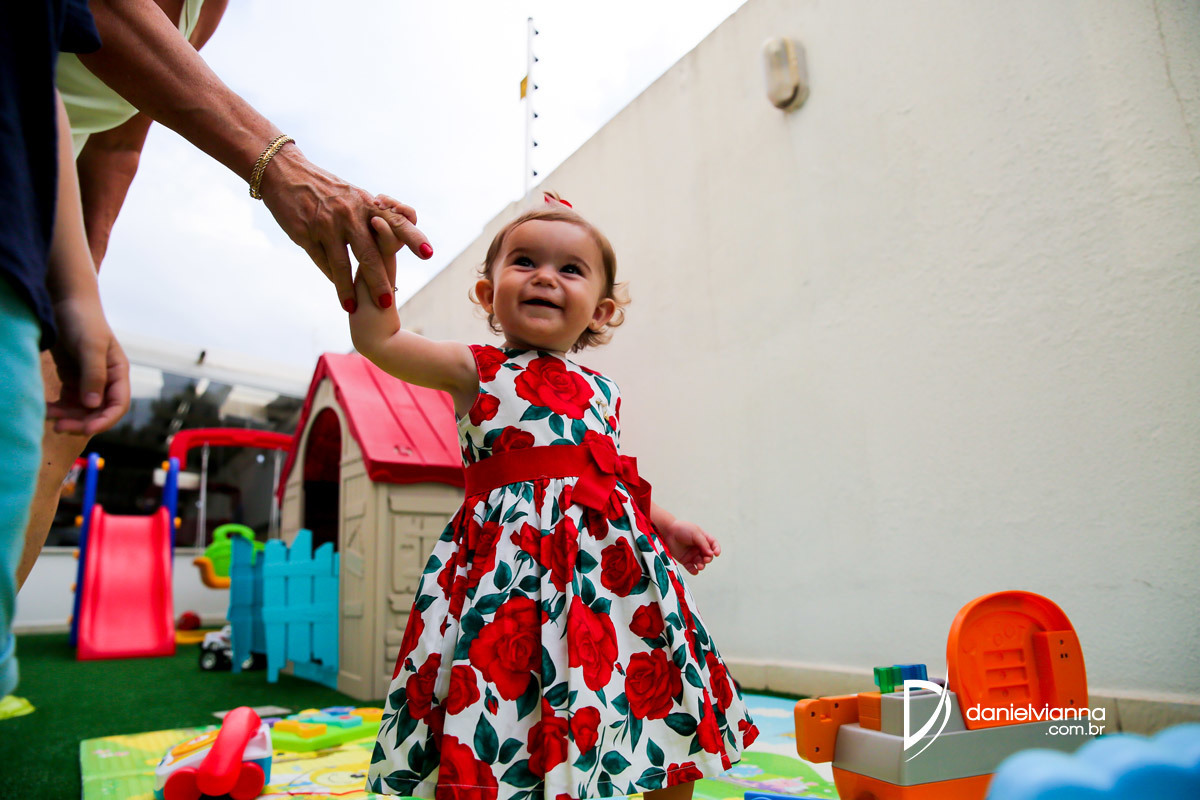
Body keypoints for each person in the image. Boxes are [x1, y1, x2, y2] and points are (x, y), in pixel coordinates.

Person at [351, 194, 759, 800]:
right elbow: (379, 340)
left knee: (648, 685)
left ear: (602, 310)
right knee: (510, 689)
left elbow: (611, 473)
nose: (545, 276)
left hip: (610, 576)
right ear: (488, 293)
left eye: (570, 268)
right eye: (524, 262)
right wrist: (376, 264)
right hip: (510, 570)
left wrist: (668, 525)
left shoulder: (604, 390)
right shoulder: (475, 369)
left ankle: (662, 773)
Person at [15, 0, 433, 591]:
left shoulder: (206, 11)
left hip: (38, 202)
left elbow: (115, 145)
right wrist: (281, 164)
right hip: (19, 175)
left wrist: (79, 295)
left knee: (54, 418)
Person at [1, 0, 131, 697]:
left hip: (25, 240)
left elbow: (45, 96)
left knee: (35, 442)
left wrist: (80, 291)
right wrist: (271, 159)